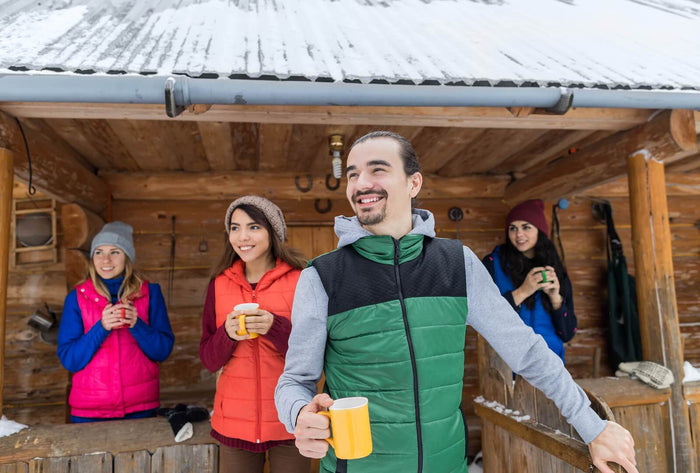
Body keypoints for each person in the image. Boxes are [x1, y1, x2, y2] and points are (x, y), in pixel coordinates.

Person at [275, 131, 638, 473]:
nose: (361, 184)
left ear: (413, 182)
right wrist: (298, 415)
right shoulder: (322, 276)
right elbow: (295, 380)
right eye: (353, 174)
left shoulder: (457, 264)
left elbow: (526, 351)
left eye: (378, 170)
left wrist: (593, 427)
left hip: (446, 463)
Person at [199, 196, 310, 473]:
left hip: (290, 417)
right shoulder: (219, 284)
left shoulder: (302, 279)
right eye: (235, 228)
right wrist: (227, 334)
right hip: (234, 423)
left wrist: (275, 327)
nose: (242, 237)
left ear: (273, 232)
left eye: (253, 227)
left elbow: (314, 352)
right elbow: (209, 359)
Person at [57, 221, 174, 422]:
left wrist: (137, 325)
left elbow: (162, 351)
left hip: (141, 408)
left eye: (115, 252)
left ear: (127, 257)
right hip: (89, 413)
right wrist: (100, 328)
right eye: (99, 252)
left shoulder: (150, 293)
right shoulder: (76, 298)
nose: (106, 260)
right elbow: (70, 359)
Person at [482, 199, 577, 364]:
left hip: (550, 365)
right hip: (508, 365)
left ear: (539, 230)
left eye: (526, 227)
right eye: (513, 228)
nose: (519, 234)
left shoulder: (554, 268)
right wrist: (523, 291)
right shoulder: (493, 263)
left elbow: (567, 333)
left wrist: (556, 299)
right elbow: (485, 316)